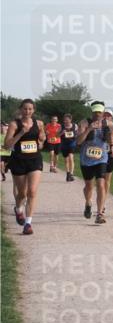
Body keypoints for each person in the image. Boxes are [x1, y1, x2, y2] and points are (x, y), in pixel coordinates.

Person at [3, 100, 45, 235]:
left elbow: (41, 143)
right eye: (25, 109)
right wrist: (21, 133)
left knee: (32, 192)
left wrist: (42, 140)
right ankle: (18, 209)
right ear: (21, 109)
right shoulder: (15, 124)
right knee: (22, 193)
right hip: (19, 161)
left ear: (34, 110)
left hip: (35, 160)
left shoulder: (39, 124)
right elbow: (7, 145)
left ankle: (28, 224)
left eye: (30, 109)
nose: (27, 111)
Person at [77, 101, 111, 224]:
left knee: (101, 184)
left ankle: (100, 213)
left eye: (100, 112)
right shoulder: (84, 123)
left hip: (101, 158)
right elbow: (79, 142)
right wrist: (89, 129)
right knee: (89, 186)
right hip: (86, 159)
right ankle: (88, 203)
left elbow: (110, 141)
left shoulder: (107, 124)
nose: (97, 114)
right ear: (92, 111)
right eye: (95, 112)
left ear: (103, 112)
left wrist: (109, 131)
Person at [101, 109, 113, 214]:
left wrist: (110, 139)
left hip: (109, 155)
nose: (106, 117)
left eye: (108, 116)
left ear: (111, 118)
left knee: (107, 181)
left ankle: (103, 203)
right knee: (99, 180)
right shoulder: (97, 128)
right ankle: (99, 200)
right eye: (104, 115)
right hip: (98, 155)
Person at [59, 114, 77, 181]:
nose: (66, 121)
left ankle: (71, 174)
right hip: (64, 144)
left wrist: (75, 135)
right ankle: (68, 173)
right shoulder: (62, 126)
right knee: (66, 159)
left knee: (71, 157)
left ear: (70, 120)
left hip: (72, 143)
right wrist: (62, 133)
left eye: (67, 120)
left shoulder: (75, 126)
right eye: (65, 120)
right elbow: (57, 135)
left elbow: (78, 133)